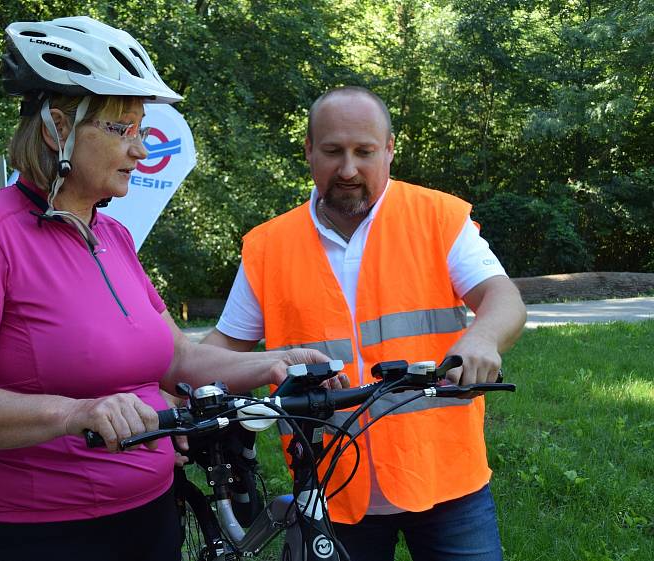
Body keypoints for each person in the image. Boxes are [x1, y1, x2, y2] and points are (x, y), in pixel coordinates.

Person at [0, 16, 325, 561]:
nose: (140, 149)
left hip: (153, 512)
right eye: (121, 129)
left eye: (141, 129)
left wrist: (277, 363)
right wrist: (74, 413)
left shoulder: (113, 235)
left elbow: (177, 358)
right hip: (50, 531)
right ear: (58, 127)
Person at [202, 86, 527, 561]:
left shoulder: (438, 218)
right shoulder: (269, 246)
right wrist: (167, 388)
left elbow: (503, 297)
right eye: (333, 151)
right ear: (309, 151)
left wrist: (481, 336)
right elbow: (223, 344)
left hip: (445, 479)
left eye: (364, 151)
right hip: (330, 488)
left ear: (390, 148)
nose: (349, 169)